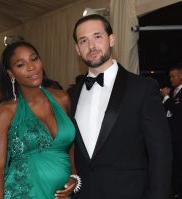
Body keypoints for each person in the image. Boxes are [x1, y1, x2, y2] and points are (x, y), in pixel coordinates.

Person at [68, 14, 172, 199]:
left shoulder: (142, 88)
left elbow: (161, 154)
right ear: (77, 49)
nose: (91, 46)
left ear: (111, 39)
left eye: (97, 36)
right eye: (83, 41)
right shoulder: (73, 95)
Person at [0, 41, 78, 199]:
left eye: (34, 59)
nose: (31, 67)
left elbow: (71, 146)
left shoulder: (62, 98)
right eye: (21, 64)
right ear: (11, 73)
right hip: (23, 194)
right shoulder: (4, 113)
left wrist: (74, 176)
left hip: (61, 195)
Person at [160, 66, 182, 198]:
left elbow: (177, 109)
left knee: (179, 165)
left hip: (179, 137)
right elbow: (166, 111)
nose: (171, 79)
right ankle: (175, 190)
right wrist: (166, 98)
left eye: (173, 76)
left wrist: (167, 97)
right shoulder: (174, 91)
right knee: (174, 164)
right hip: (172, 136)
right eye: (170, 76)